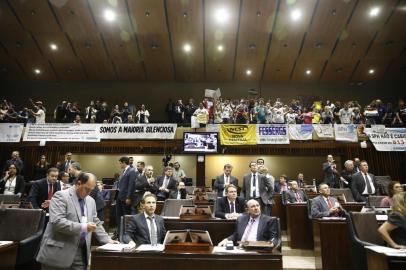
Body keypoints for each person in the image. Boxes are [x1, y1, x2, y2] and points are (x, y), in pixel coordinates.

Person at [36, 172, 118, 269]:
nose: (89, 193)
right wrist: (84, 227)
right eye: (87, 189)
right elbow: (57, 223)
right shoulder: (61, 196)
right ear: (79, 183)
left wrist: (108, 240)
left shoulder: (90, 201)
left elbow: (95, 222)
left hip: (81, 253)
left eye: (91, 190)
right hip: (58, 253)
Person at [115, 157, 137, 235]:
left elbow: (131, 185)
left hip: (125, 198)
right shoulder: (124, 171)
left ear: (124, 162)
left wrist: (128, 197)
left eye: (120, 163)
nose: (119, 165)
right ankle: (119, 232)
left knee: (126, 215)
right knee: (119, 215)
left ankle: (126, 234)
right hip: (120, 196)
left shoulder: (131, 171)